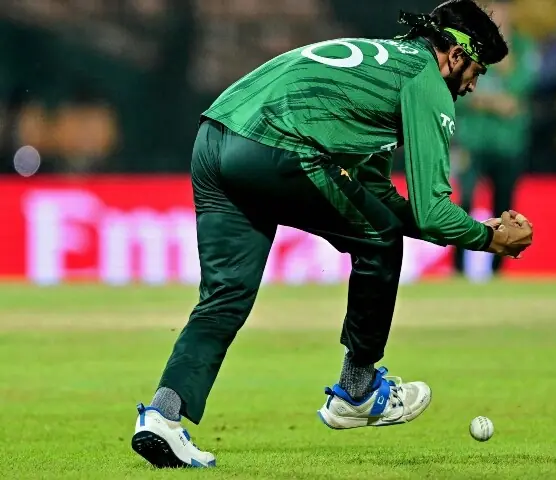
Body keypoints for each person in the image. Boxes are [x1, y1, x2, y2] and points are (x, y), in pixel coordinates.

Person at [131, 0, 533, 468]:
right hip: (275, 148)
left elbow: (378, 191)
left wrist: (473, 228)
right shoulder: (426, 82)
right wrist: (488, 240)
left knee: (225, 297)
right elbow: (429, 210)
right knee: (380, 240)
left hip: (215, 137)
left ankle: (163, 415)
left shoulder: (382, 62)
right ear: (456, 55)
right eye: (478, 70)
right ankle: (358, 392)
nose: (473, 84)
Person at [453, 0, 539, 277]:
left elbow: (521, 91)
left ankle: (498, 270)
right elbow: (456, 92)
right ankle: (457, 269)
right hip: (472, 141)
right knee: (463, 202)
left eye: (502, 10)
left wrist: (483, 96)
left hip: (508, 142)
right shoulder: (468, 46)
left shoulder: (524, 48)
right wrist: (492, 102)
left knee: (505, 206)